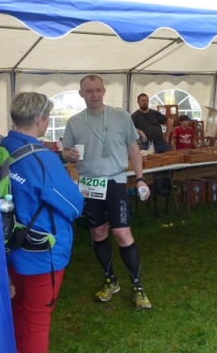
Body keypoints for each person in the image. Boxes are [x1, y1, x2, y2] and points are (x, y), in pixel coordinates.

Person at [3, 92, 84, 353]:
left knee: (19, 303)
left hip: (9, 244)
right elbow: (73, 205)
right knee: (38, 315)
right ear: (39, 119)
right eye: (48, 117)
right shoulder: (42, 158)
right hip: (40, 251)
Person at [62, 75, 152, 310]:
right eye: (89, 91)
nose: (94, 94)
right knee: (98, 232)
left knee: (122, 233)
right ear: (81, 94)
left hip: (115, 181)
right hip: (89, 183)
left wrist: (140, 178)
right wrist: (68, 154)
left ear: (104, 91)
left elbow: (134, 148)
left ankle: (138, 286)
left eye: (98, 90)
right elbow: (65, 151)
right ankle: (110, 279)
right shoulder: (74, 122)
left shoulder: (121, 117)